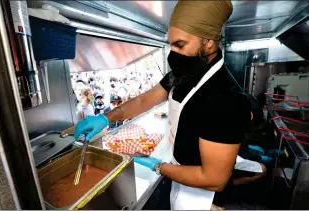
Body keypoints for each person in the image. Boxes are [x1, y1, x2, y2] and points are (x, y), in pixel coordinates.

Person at [74, 1, 251, 210]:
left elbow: (214, 179)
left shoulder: (227, 99)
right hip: (180, 175)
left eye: (180, 45)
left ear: (209, 42)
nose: (172, 52)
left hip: (206, 199)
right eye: (170, 44)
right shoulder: (183, 72)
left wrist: (158, 166)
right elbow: (144, 100)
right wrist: (107, 117)